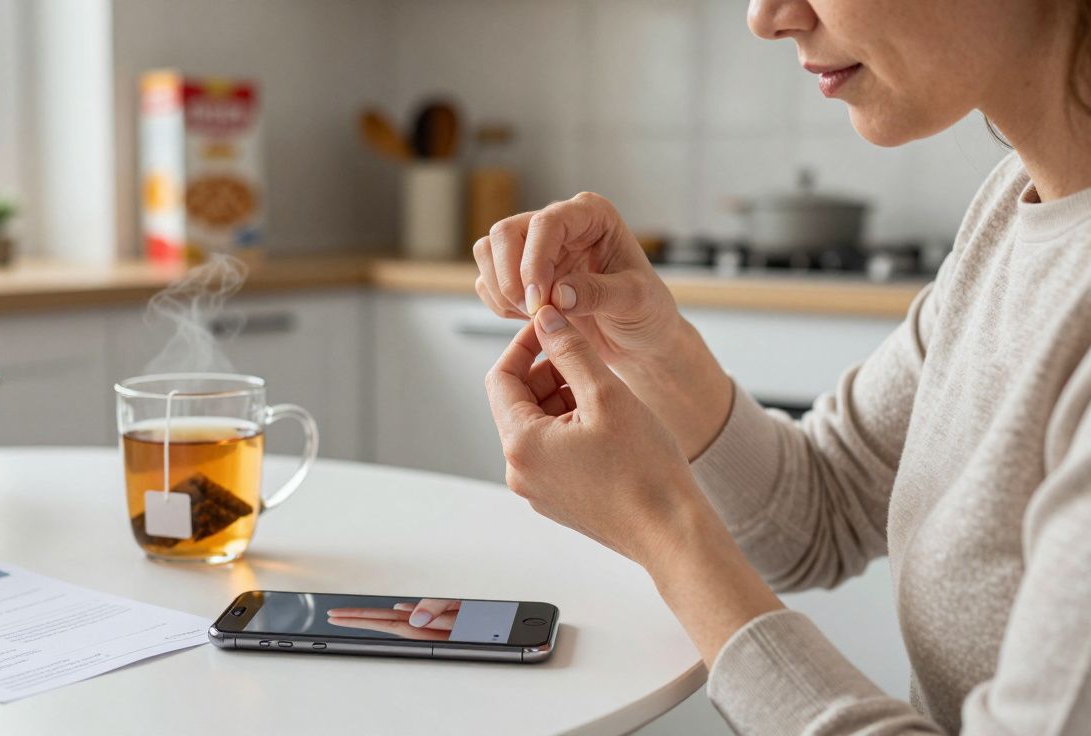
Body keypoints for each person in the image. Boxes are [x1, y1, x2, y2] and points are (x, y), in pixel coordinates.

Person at [432, 0, 1090, 732]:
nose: (765, 15)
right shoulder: (1012, 206)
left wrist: (662, 527)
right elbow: (818, 510)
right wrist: (651, 345)